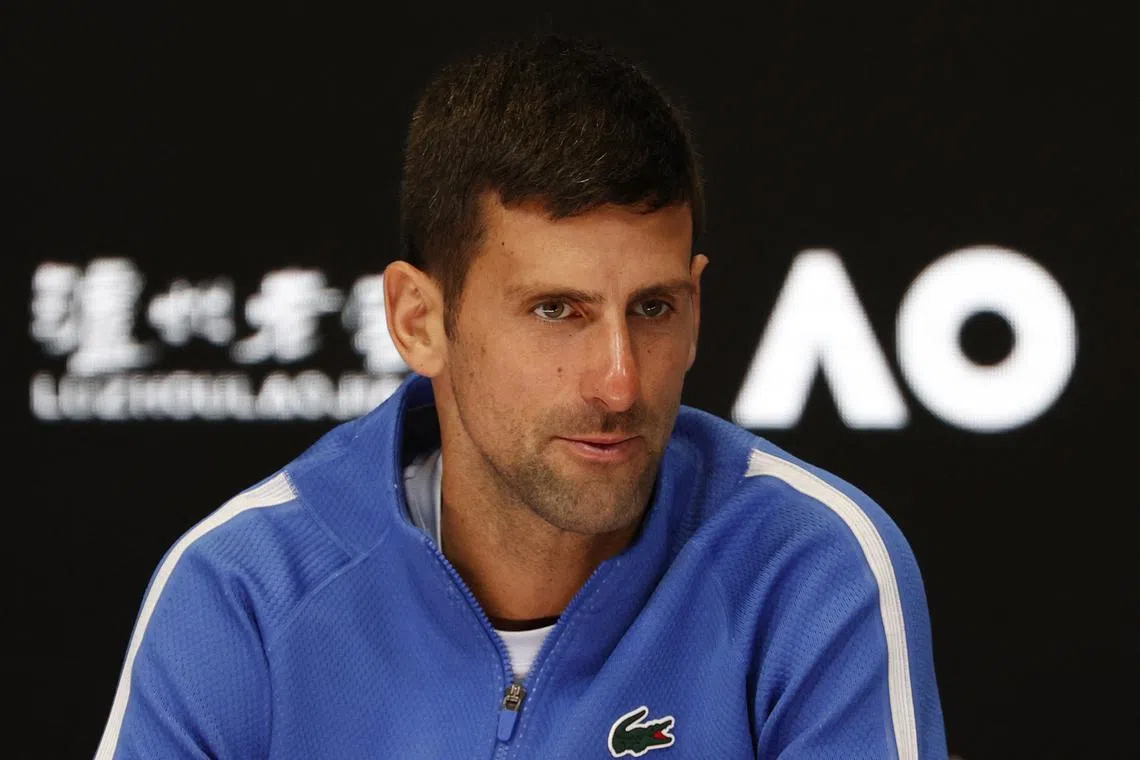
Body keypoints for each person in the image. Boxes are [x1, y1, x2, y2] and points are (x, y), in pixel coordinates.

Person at [95, 33, 947, 759]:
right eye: (555, 311)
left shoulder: (810, 571)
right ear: (419, 319)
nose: (620, 380)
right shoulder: (242, 594)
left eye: (653, 309)